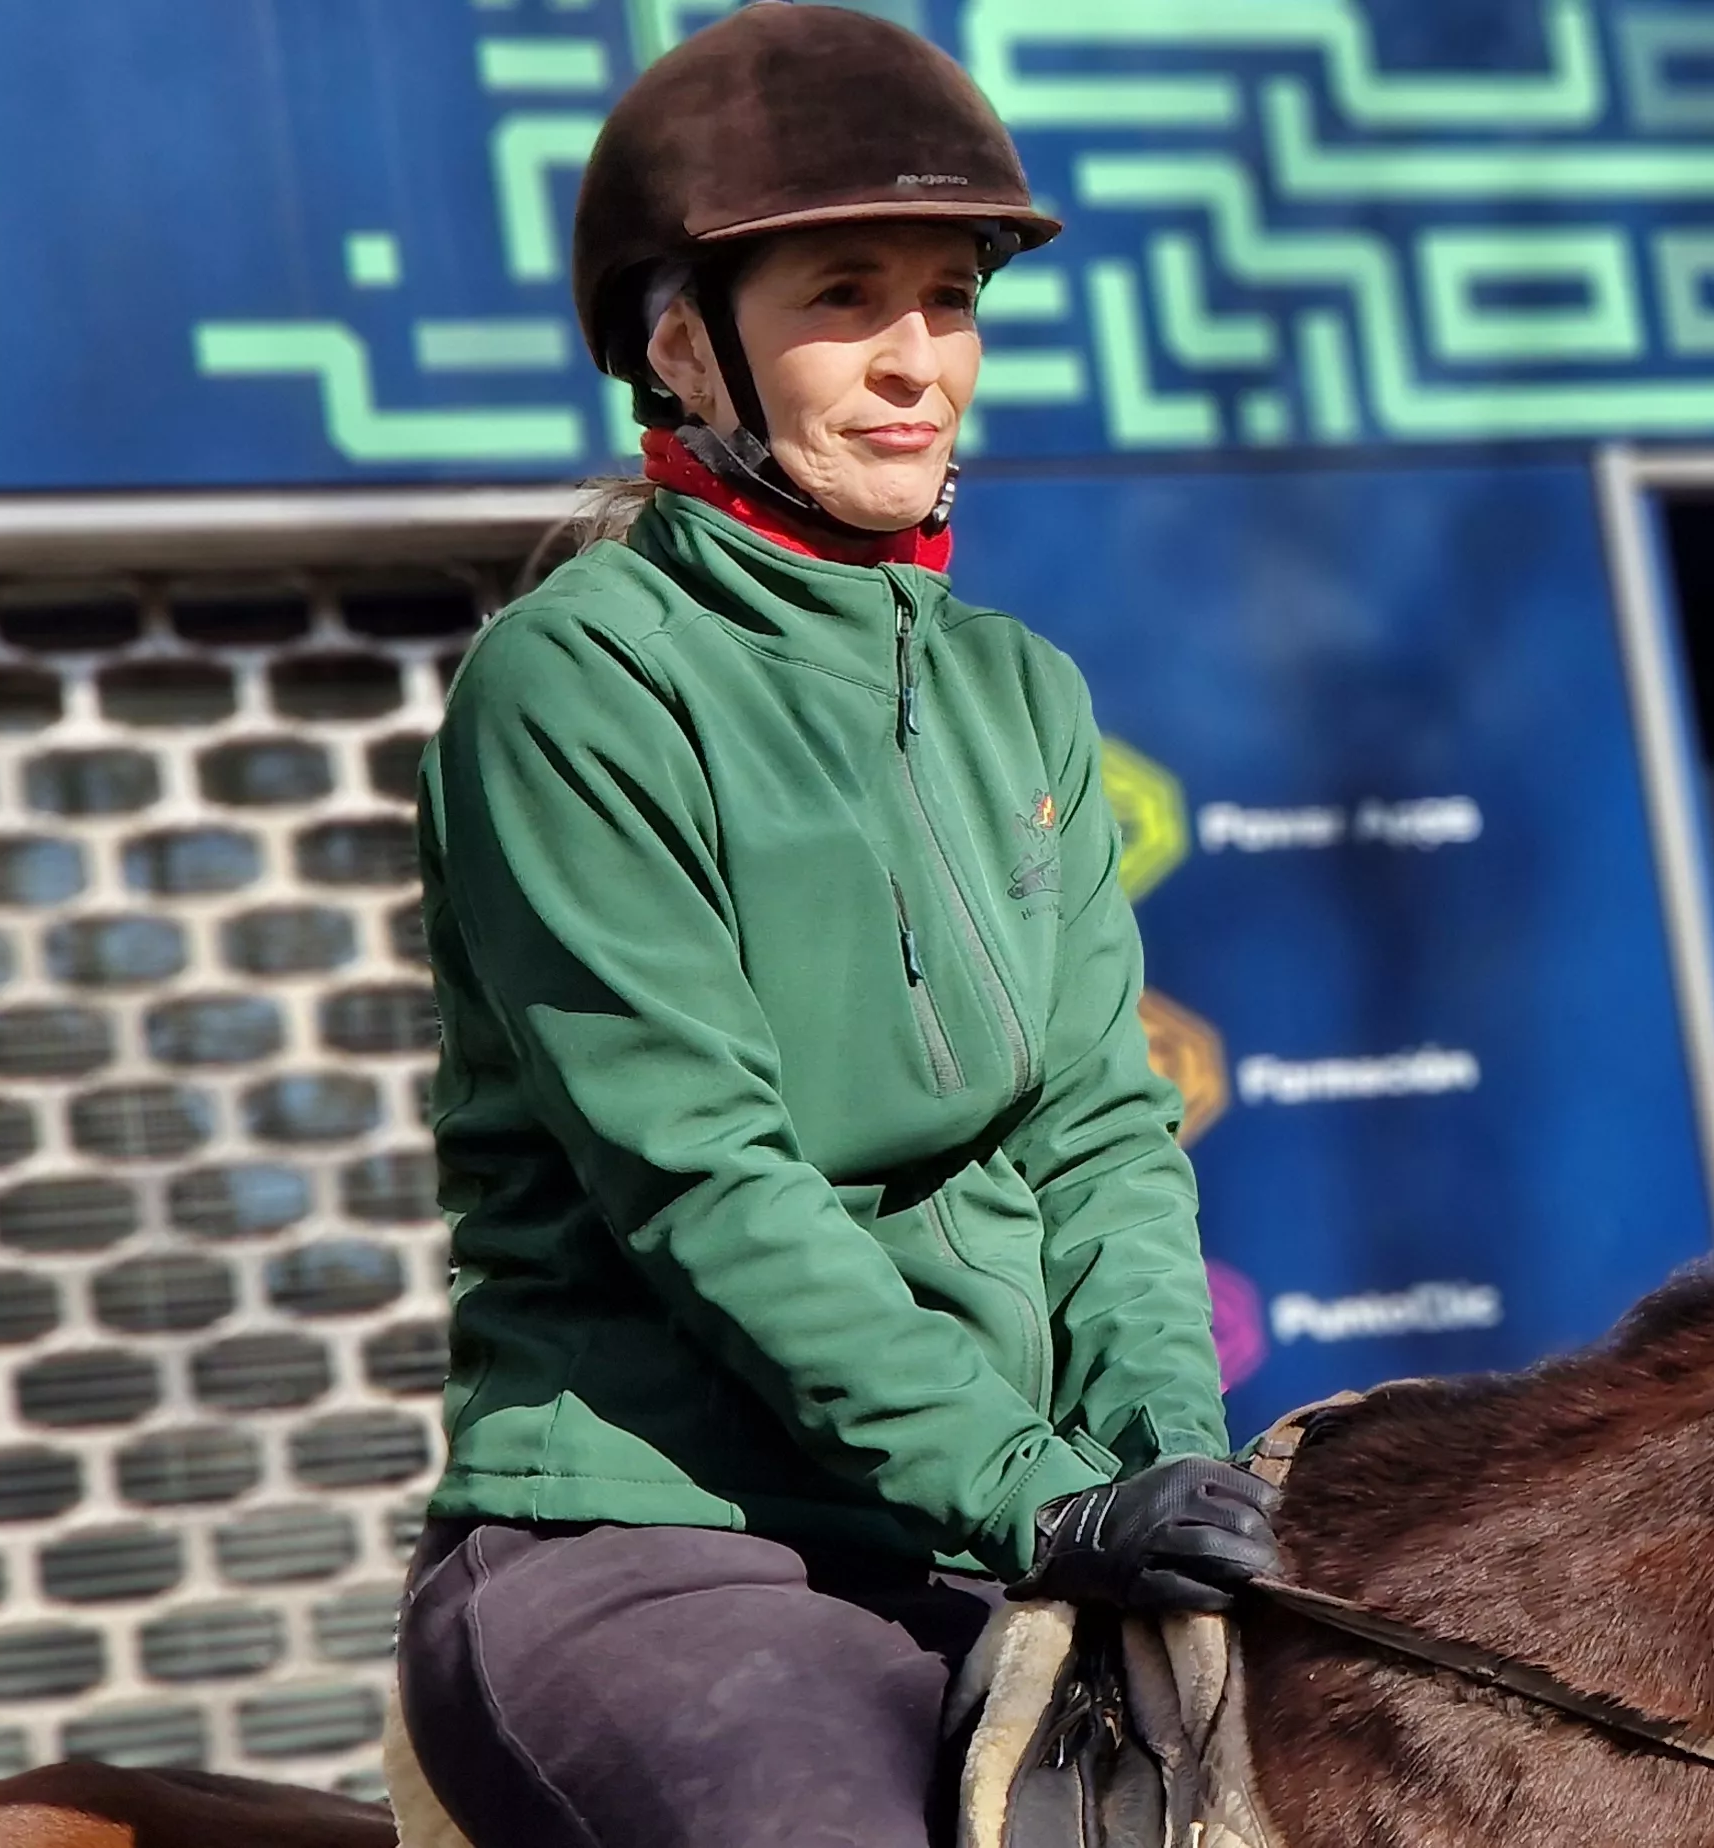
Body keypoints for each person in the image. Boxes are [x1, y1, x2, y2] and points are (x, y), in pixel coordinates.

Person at [391, 9, 1275, 1845]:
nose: (914, 363)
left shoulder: (1015, 689)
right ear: (682, 343)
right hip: (657, 1542)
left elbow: (1099, 1131)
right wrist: (1030, 1494)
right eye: (843, 299)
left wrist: (1161, 1462)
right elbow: (708, 1179)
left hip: (992, 1526)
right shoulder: (576, 685)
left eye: (948, 300)